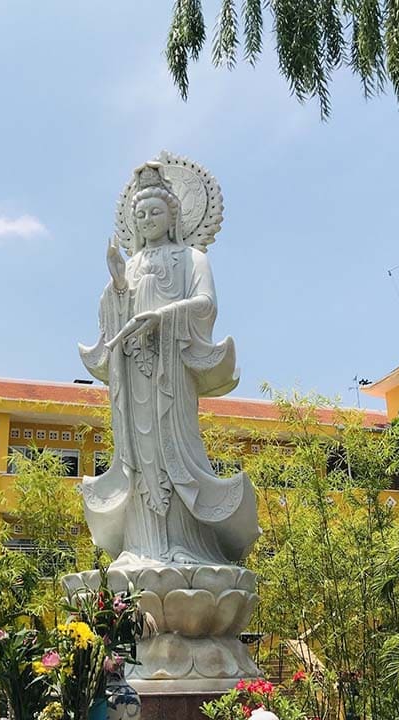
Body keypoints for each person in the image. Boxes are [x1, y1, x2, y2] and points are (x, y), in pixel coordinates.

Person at [79, 161, 259, 567]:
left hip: (172, 372)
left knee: (172, 448)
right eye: (140, 214)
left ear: (173, 215)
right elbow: (114, 317)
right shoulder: (132, 264)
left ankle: (186, 544)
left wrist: (163, 316)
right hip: (134, 375)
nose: (147, 220)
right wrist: (119, 285)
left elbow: (206, 304)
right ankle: (142, 545)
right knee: (140, 455)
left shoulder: (192, 258)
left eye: (155, 212)